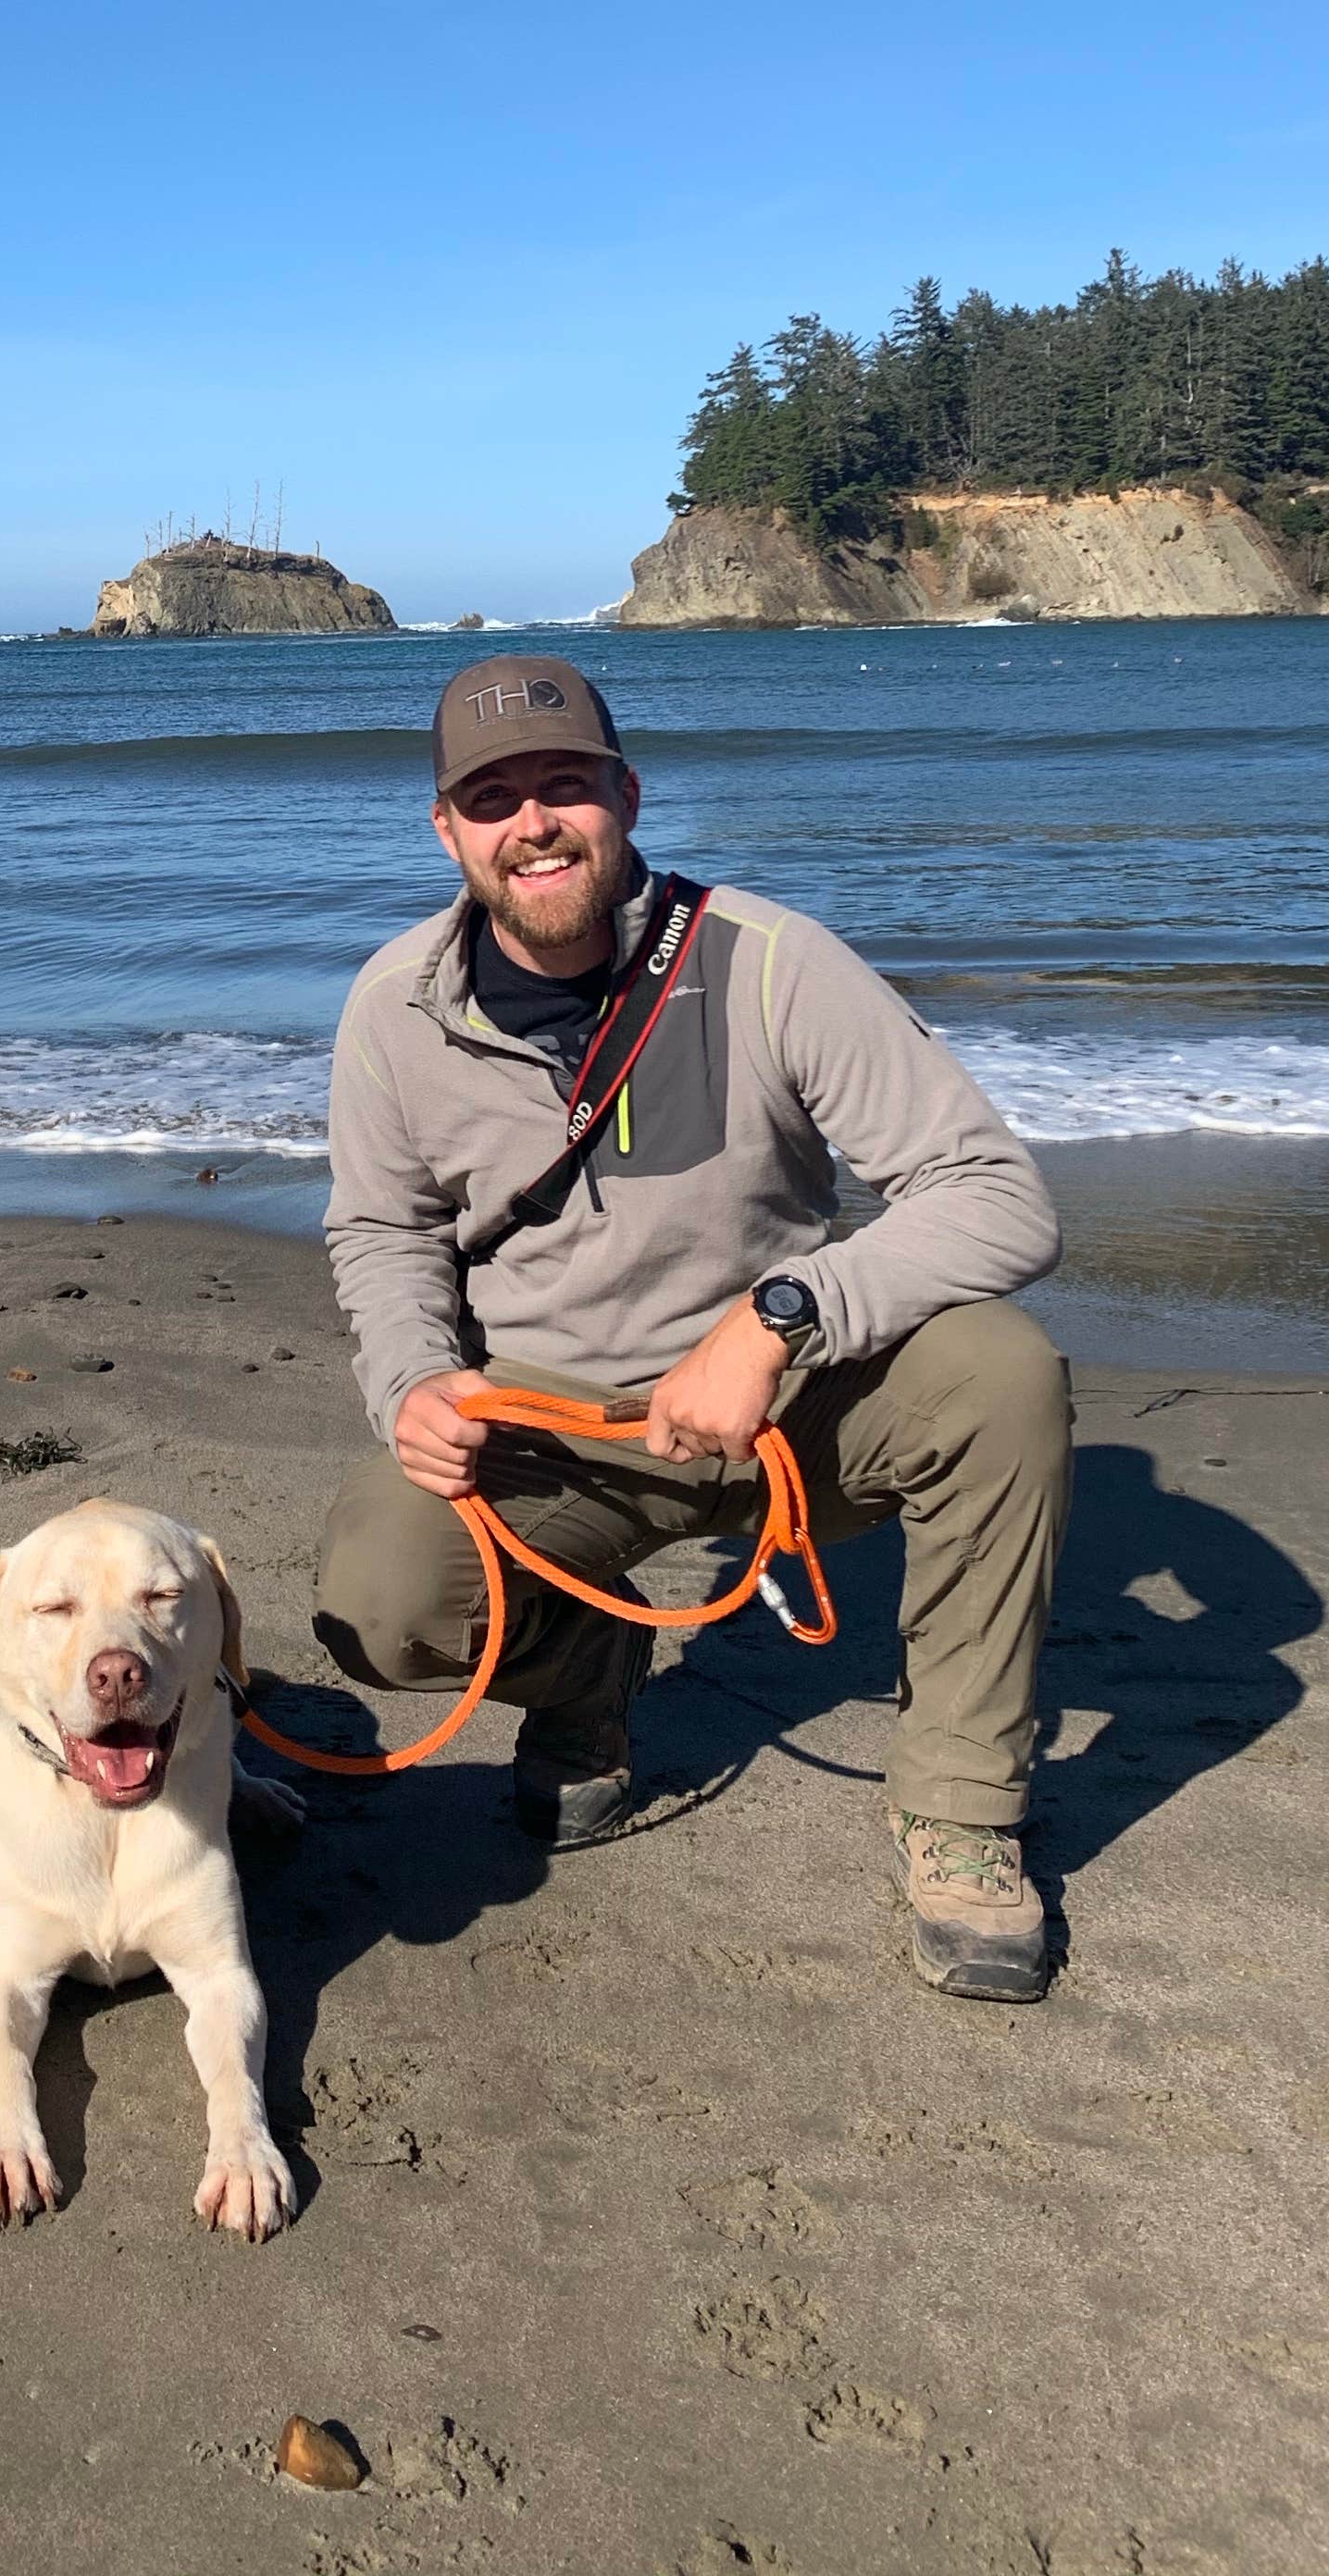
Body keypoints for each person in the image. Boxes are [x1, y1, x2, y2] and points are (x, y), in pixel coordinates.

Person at [314, 653, 1071, 2001]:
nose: (532, 823)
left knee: (1003, 1378)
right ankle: (587, 1676)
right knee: (380, 1611)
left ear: (626, 794)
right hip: (552, 1426)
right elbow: (382, 1236)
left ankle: (962, 1808)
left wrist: (786, 1315)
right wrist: (416, 1383)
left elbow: (996, 1197)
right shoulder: (393, 1005)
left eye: (566, 785)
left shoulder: (770, 962)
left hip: (786, 1403)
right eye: (493, 798)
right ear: (448, 830)